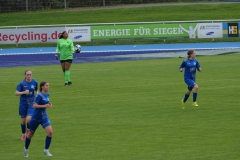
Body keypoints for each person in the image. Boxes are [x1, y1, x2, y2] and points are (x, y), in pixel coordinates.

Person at [24, 81, 53, 158]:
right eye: (47, 85)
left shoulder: (47, 94)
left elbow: (46, 101)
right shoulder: (39, 95)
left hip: (44, 117)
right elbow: (34, 105)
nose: (48, 87)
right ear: (42, 87)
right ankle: (26, 149)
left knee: (50, 132)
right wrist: (45, 106)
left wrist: (49, 104)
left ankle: (46, 150)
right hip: (36, 118)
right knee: (30, 134)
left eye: (48, 85)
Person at [15, 70, 38, 141]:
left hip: (31, 103)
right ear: (25, 75)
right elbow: (16, 93)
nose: (29, 76)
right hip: (23, 103)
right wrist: (24, 92)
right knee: (23, 121)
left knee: (29, 119)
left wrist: (37, 94)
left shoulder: (35, 82)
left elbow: (36, 89)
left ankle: (28, 129)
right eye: (27, 74)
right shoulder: (21, 83)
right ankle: (23, 134)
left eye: (30, 74)